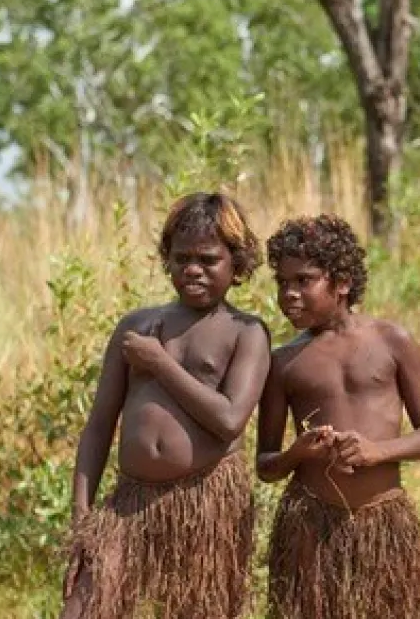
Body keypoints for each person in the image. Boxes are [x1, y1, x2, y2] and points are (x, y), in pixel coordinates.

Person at [61, 192, 270, 619]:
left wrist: (159, 362)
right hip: (129, 501)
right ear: (167, 260)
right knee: (83, 608)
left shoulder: (245, 332)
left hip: (205, 497)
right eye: (182, 258)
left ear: (236, 264)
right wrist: (83, 519)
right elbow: (99, 426)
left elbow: (230, 420)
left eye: (209, 260)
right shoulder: (134, 328)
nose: (193, 269)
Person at [257, 214, 420, 619]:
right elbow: (265, 465)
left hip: (383, 519)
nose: (289, 294)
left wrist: (377, 451)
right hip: (309, 522)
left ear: (341, 282)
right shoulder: (283, 363)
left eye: (303, 281)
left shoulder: (391, 341)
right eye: (282, 283)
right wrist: (298, 453)